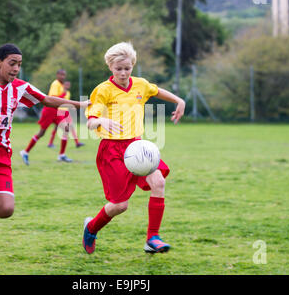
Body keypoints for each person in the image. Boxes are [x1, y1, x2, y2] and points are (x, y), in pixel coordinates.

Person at [0, 44, 87, 267]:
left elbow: (47, 100)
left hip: (3, 154)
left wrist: (79, 104)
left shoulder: (20, 88)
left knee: (5, 209)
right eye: (12, 63)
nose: (16, 69)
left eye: (19, 65)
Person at [82, 42, 185, 254]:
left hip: (137, 146)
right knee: (120, 205)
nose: (123, 72)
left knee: (158, 181)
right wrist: (101, 121)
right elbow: (89, 121)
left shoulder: (140, 84)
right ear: (110, 67)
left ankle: (152, 238)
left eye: (127, 68)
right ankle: (91, 227)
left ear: (133, 66)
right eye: (118, 68)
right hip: (112, 151)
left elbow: (155, 90)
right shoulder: (102, 90)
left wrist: (178, 100)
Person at [20, 69, 76, 164]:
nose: (63, 77)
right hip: (49, 111)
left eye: (64, 75)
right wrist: (64, 93)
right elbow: (54, 99)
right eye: (61, 75)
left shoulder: (62, 85)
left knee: (66, 129)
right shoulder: (56, 84)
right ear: (57, 75)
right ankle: (25, 152)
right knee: (41, 133)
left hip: (57, 111)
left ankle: (61, 155)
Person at [47, 81, 85, 149]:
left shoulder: (68, 93)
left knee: (71, 126)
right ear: (63, 85)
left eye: (68, 85)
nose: (67, 86)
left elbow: (67, 102)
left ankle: (77, 142)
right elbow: (57, 99)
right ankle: (50, 143)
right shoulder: (61, 91)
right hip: (60, 111)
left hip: (66, 111)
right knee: (56, 127)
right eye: (66, 85)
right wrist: (63, 93)